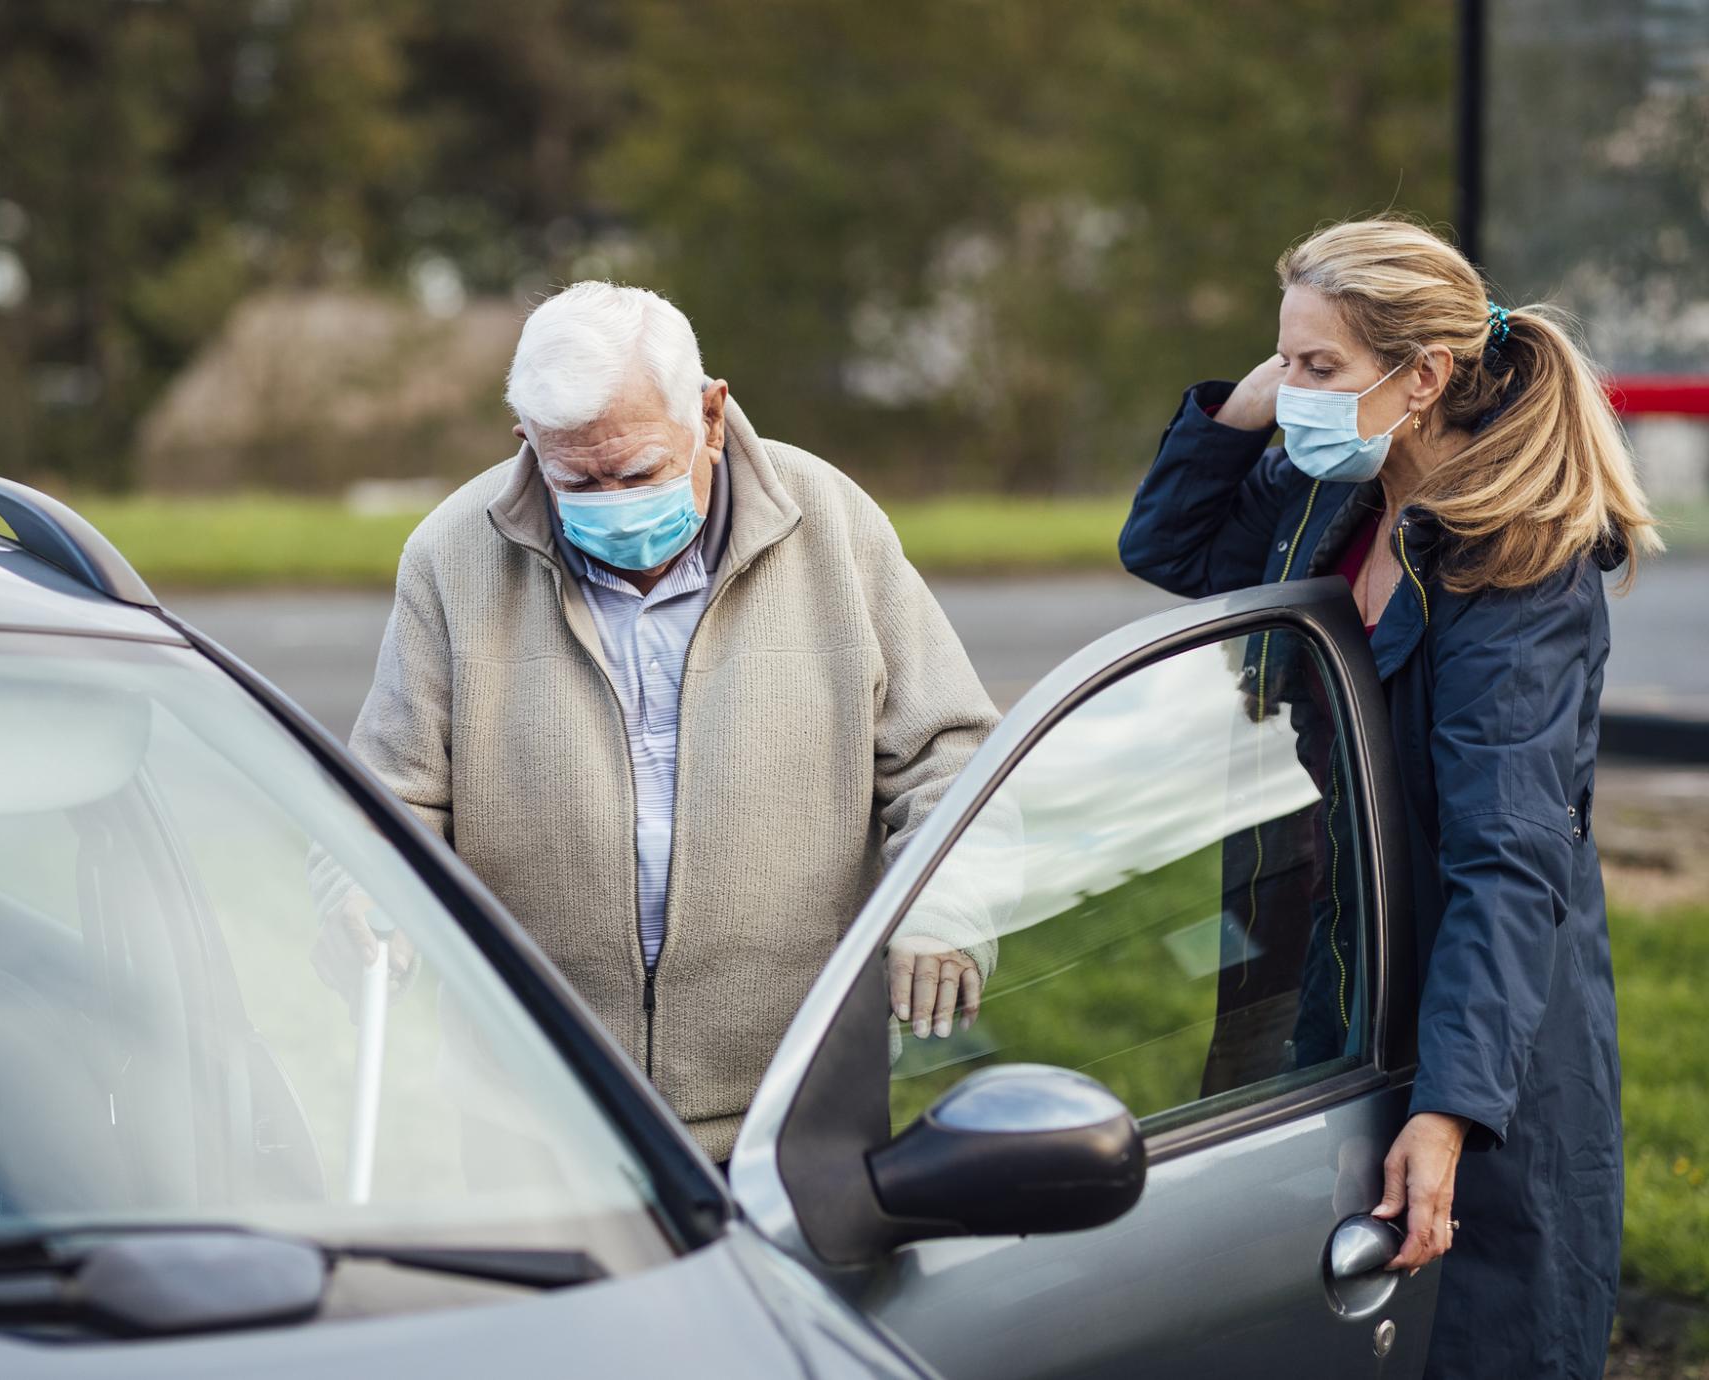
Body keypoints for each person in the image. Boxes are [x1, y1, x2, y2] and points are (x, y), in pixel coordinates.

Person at [1118, 217, 1660, 1379]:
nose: (1293, 391)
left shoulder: (1513, 566)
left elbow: (1509, 861)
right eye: (1285, 360)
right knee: (1327, 1322)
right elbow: (1170, 550)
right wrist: (1245, 406)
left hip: (1479, 1024)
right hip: (1339, 968)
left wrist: (1452, 1109)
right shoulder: (1335, 497)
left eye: (1318, 368)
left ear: (1421, 380)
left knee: (1464, 1334)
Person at [313, 281, 1002, 1163]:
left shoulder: (833, 523)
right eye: (576, 479)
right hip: (541, 1113)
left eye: (637, 471)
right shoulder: (451, 555)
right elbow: (384, 799)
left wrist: (941, 909)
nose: (611, 500)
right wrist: (361, 888)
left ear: (710, 415)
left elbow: (949, 754)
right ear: (526, 442)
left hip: (796, 1102)